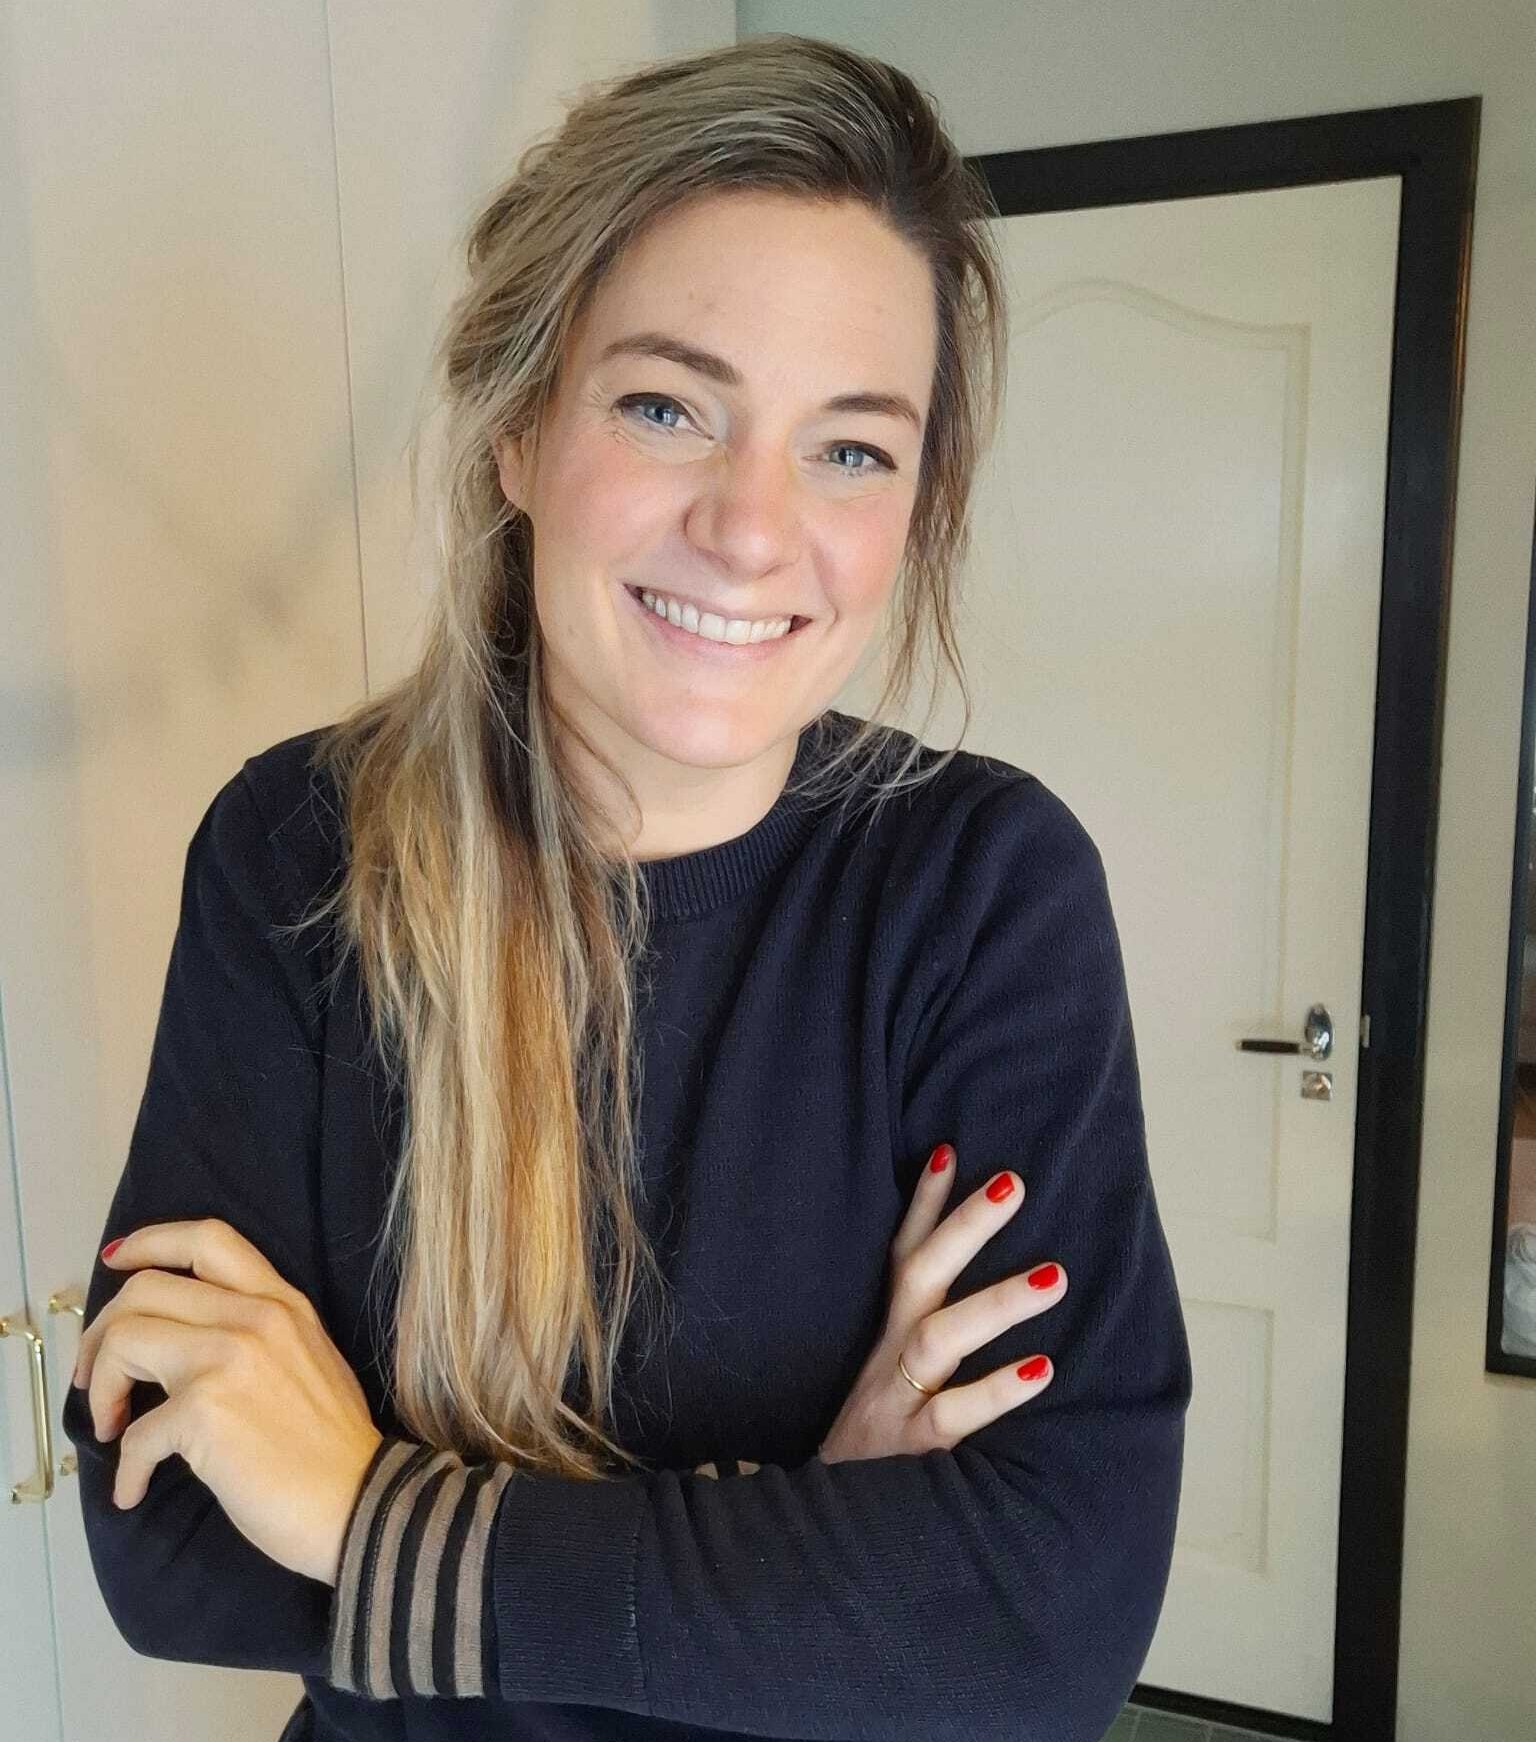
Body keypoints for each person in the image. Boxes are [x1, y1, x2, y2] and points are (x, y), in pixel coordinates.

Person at [62, 33, 1191, 1742]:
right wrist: (807, 1534)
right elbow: (168, 1544)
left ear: (917, 506)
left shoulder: (981, 892)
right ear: (521, 426)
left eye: (852, 448)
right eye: (668, 406)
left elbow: (1049, 1625)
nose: (752, 527)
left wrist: (364, 1506)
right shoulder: (300, 852)